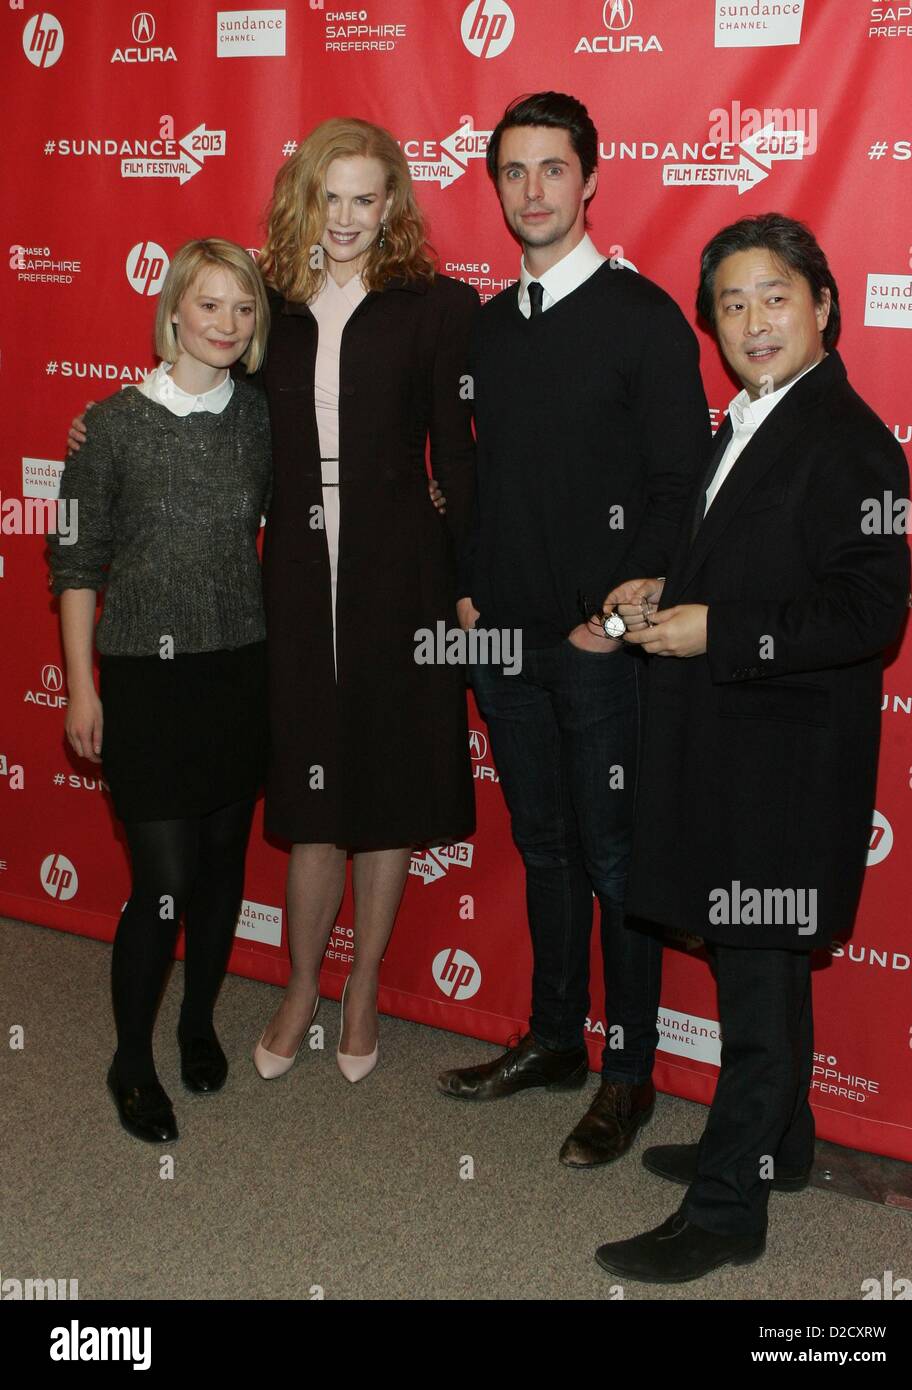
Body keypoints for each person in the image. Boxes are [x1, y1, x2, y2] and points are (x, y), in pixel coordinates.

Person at [595, 213, 911, 1282]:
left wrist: (717, 630)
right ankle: (782, 1145)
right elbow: (747, 559)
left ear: (824, 304)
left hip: (787, 768)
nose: (751, 320)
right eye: (729, 303)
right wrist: (666, 591)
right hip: (734, 751)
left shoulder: (852, 439)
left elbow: (870, 613)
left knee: (761, 997)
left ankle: (728, 1207)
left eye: (774, 295)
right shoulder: (753, 419)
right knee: (758, 967)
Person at [436, 93, 711, 1166]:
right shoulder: (487, 329)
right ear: (496, 185)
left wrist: (612, 614)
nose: (534, 190)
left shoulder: (643, 318)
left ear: (591, 179)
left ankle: (630, 1074)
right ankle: (555, 1038)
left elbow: (676, 485)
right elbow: (470, 476)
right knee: (542, 848)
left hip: (600, 652)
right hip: (499, 642)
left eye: (553, 169)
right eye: (514, 171)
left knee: (614, 858)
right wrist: (466, 590)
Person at [252, 118, 477, 1082]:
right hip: (298, 572)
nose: (344, 218)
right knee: (311, 794)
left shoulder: (435, 306)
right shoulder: (271, 303)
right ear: (305, 199)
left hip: (400, 574)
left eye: (364, 198)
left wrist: (468, 583)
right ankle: (301, 981)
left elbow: (459, 459)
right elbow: (213, 402)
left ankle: (366, 980)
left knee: (385, 791)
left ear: (392, 206)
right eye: (328, 197)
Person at [48, 238, 272, 1143]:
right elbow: (72, 562)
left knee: (223, 868)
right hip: (143, 678)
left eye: (243, 308)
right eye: (209, 304)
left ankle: (196, 1024)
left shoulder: (262, 418)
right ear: (173, 309)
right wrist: (78, 689)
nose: (226, 323)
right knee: (163, 881)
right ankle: (130, 1059)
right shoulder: (104, 425)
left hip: (238, 670)